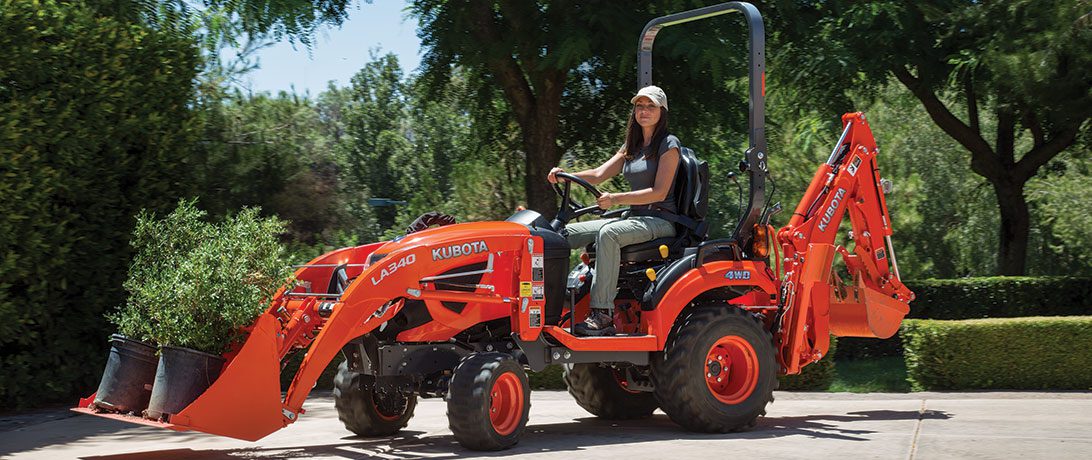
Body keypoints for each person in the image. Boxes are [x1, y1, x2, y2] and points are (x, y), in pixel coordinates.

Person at [547, 85, 681, 336]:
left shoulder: (668, 144)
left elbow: (659, 192)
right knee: (561, 234)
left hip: (660, 219)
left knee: (609, 233)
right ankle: (551, 298)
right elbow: (598, 174)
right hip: (635, 219)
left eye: (650, 106)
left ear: (662, 111)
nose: (644, 111)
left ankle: (602, 314)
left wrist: (616, 198)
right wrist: (566, 176)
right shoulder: (632, 145)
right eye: (640, 106)